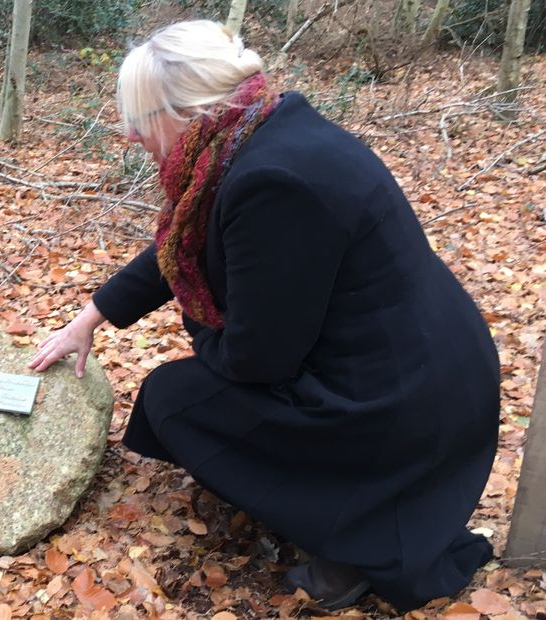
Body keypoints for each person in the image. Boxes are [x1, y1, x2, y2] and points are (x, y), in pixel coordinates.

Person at [30, 20, 499, 612]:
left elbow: (258, 359)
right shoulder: (266, 132)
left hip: (399, 408)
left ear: (186, 109)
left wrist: (200, 330)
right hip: (430, 371)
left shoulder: (271, 180)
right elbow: (183, 244)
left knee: (175, 399)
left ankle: (356, 539)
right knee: (182, 393)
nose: (128, 135)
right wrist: (90, 318)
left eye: (140, 117)